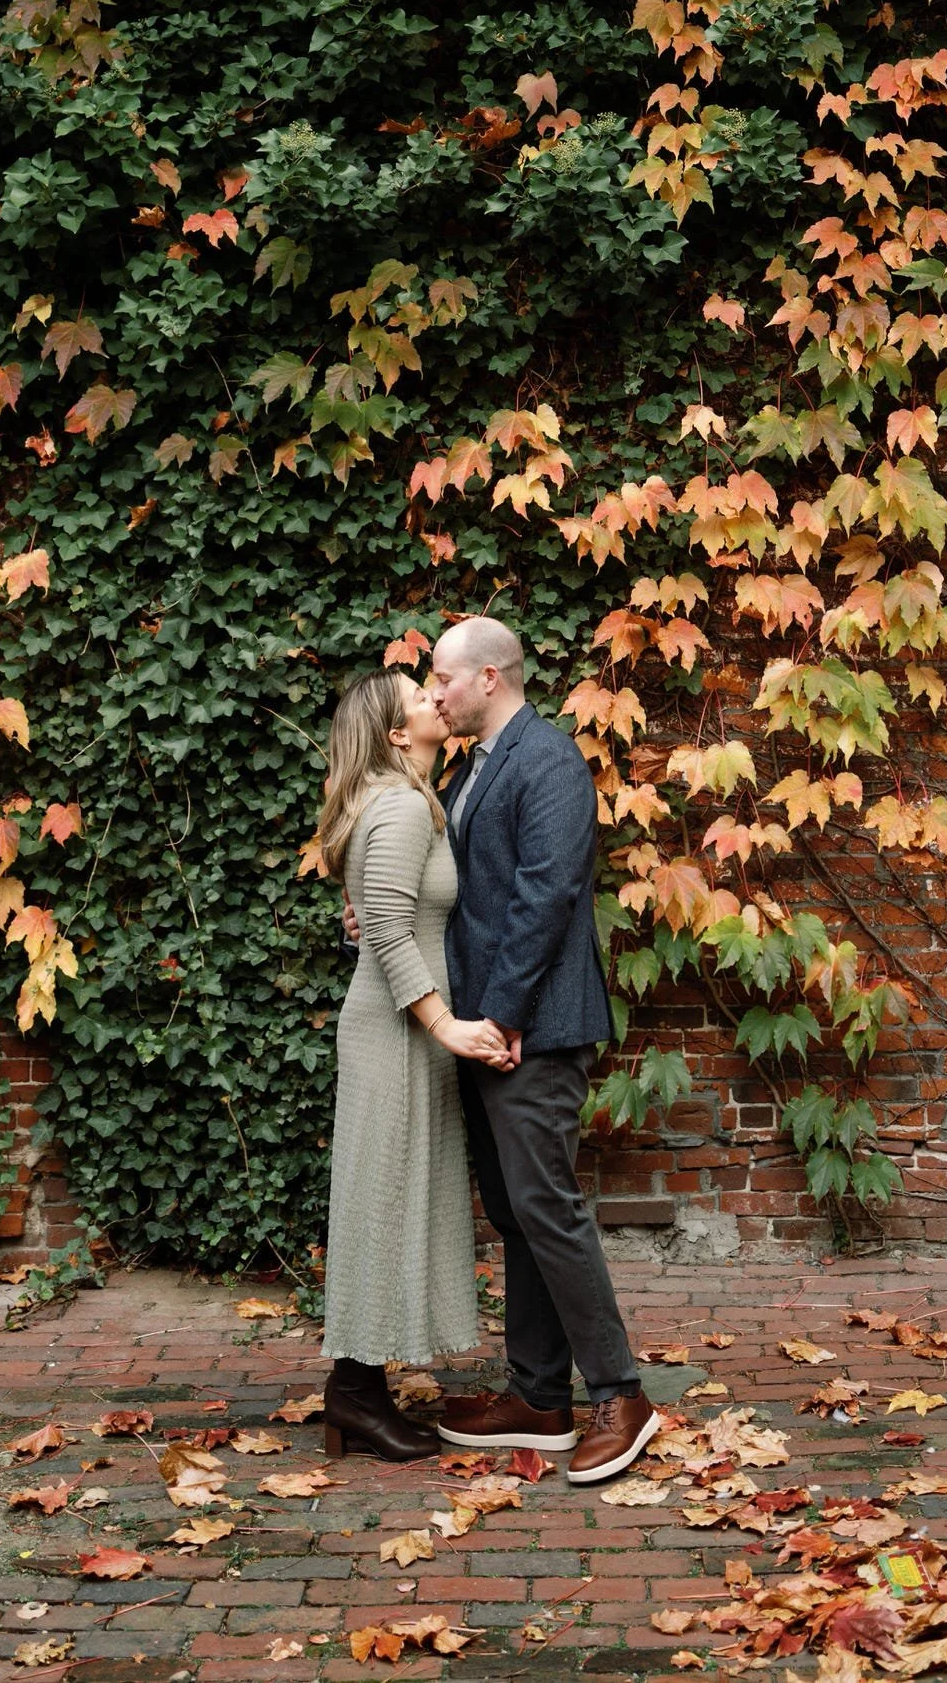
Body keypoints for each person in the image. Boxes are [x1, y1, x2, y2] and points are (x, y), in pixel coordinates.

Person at [427, 615, 659, 1486]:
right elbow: (471, 900)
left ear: (490, 677)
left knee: (547, 1205)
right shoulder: (474, 767)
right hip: (491, 1027)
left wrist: (506, 1016)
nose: (436, 693)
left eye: (445, 678)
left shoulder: (549, 760)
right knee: (516, 1212)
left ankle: (620, 1395)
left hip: (533, 1030)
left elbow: (545, 896)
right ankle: (538, 1395)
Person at [317, 667, 514, 1460]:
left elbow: (378, 918)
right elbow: (392, 934)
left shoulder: (412, 802)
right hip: (398, 1031)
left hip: (402, 1026)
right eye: (419, 697)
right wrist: (447, 1025)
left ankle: (360, 1389)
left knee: (391, 1203)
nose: (437, 698)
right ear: (398, 735)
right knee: (380, 1206)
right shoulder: (400, 806)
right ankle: (355, 1395)